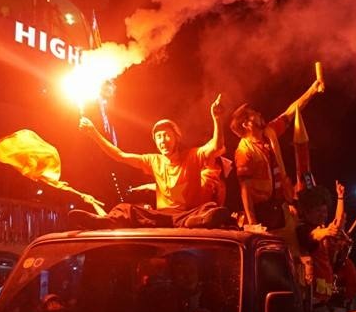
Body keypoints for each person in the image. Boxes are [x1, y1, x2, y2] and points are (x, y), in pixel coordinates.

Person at [72, 94, 231, 229]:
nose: (163, 140)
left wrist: (217, 119)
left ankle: (195, 221)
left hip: (190, 213)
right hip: (162, 217)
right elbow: (120, 156)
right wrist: (93, 133)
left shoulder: (193, 155)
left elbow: (217, 146)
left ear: (177, 138)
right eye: (159, 137)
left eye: (167, 135)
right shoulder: (153, 160)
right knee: (125, 209)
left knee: (208, 208)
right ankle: (103, 222)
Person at [231, 77, 323, 230]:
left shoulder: (269, 132)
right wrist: (253, 223)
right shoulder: (244, 151)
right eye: (253, 114)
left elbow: (290, 112)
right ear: (246, 124)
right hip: (263, 211)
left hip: (281, 204)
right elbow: (245, 190)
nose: (259, 113)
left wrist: (312, 90)